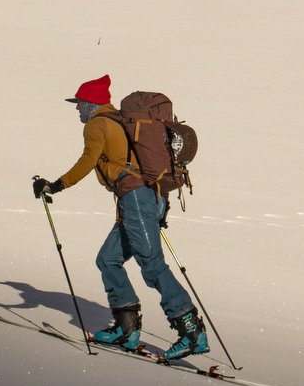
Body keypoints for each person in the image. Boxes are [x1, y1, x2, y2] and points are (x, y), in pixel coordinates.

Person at [32, 75, 208, 363]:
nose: (77, 108)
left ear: (91, 104)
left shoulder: (97, 125)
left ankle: (191, 331)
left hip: (137, 201)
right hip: (146, 199)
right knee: (108, 259)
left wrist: (55, 185)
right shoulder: (119, 121)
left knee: (152, 265)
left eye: (80, 103)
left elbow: (87, 161)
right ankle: (127, 329)